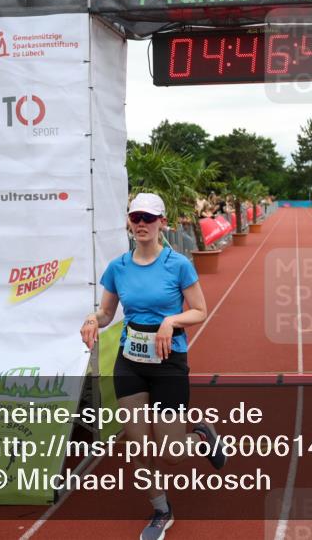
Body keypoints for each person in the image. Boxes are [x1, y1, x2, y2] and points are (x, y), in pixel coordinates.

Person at [79, 192, 224, 540]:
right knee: (139, 445)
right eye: (136, 218)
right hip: (130, 363)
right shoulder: (118, 267)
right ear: (129, 223)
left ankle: (201, 436)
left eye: (148, 218)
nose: (141, 224)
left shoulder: (178, 264)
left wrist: (171, 321)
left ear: (162, 223)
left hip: (168, 362)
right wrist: (92, 319)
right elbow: (107, 313)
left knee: (172, 453)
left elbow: (200, 311)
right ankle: (161, 509)